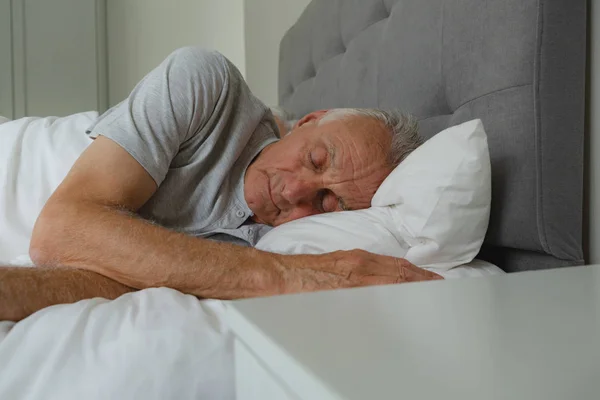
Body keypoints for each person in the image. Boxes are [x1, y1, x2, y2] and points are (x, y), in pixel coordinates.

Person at [0, 47, 441, 322]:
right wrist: (291, 278)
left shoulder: (283, 242)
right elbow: (62, 229)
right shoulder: (209, 86)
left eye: (328, 201)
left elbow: (113, 272)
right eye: (316, 158)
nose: (295, 191)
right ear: (306, 122)